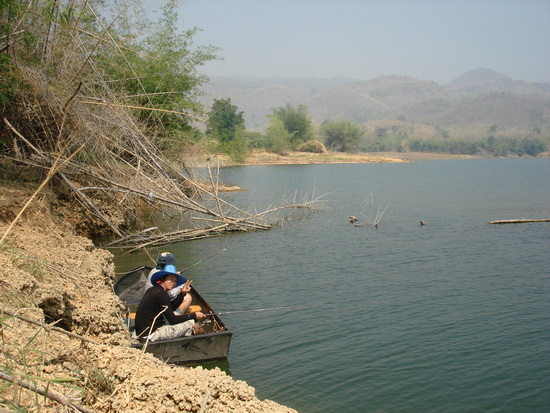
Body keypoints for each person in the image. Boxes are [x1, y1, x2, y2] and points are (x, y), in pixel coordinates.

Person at [134, 269, 206, 341]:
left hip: (142, 331)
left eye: (175, 281)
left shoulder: (153, 289)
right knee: (191, 324)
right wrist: (194, 316)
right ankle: (201, 340)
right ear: (163, 279)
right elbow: (172, 320)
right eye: (170, 279)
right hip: (151, 334)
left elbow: (170, 309)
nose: (173, 283)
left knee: (181, 317)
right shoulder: (162, 294)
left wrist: (182, 294)